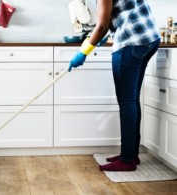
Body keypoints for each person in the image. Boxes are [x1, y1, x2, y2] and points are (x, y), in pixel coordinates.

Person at [68, 0, 160, 171]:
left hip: (131, 41)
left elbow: (102, 25)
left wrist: (83, 52)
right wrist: (108, 34)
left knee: (127, 102)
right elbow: (118, 16)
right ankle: (130, 154)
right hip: (149, 38)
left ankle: (127, 160)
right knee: (131, 100)